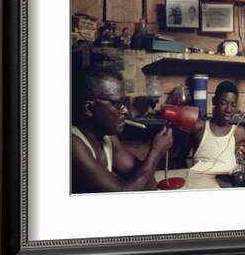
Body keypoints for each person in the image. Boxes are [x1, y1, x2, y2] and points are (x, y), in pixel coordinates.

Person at [71, 65, 173, 193]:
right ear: (89, 108)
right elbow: (124, 193)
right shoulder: (73, 146)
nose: (125, 110)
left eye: (125, 102)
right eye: (117, 104)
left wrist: (144, 172)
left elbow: (147, 182)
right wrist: (156, 152)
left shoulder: (108, 137)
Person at [189, 81, 245, 173]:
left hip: (227, 185)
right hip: (201, 184)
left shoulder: (238, 132)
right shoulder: (200, 128)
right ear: (214, 101)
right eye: (223, 103)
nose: (228, 110)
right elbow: (179, 159)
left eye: (233, 105)